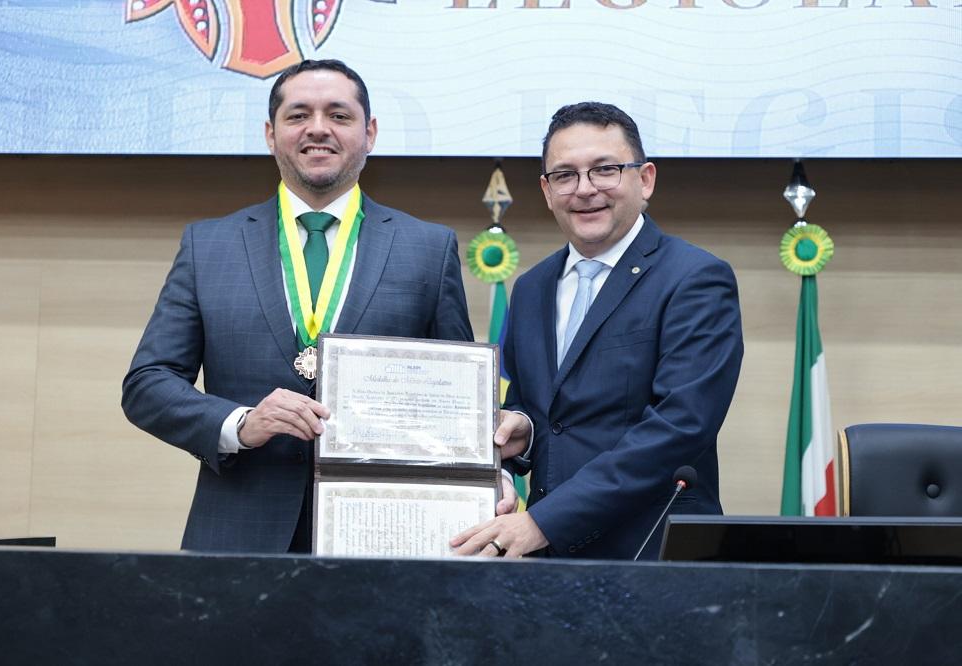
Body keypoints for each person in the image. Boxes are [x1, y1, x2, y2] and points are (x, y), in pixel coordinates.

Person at [122, 59, 473, 553]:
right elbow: (147, 385)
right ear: (271, 133)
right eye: (298, 115)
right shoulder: (209, 246)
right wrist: (239, 424)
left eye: (339, 115)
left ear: (369, 133)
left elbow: (456, 400)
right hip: (238, 535)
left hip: (385, 537)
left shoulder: (428, 249)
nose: (318, 129)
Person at [451, 102, 743, 560]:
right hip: (547, 559)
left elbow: (680, 426)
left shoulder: (695, 279)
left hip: (653, 554)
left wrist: (544, 522)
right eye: (565, 175)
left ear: (644, 179)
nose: (585, 190)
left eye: (605, 170)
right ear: (547, 191)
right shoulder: (531, 289)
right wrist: (522, 427)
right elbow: (538, 409)